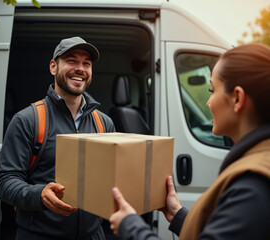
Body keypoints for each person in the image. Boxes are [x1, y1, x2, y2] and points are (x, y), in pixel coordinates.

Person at [109, 43, 270, 240]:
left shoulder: (253, 185)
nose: (208, 102)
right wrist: (177, 214)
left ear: (237, 98)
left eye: (212, 90)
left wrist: (130, 225)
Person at [0, 36, 115, 240]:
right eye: (71, 61)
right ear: (53, 67)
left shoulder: (104, 123)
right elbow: (5, 181)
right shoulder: (28, 120)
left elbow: (111, 178)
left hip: (93, 235)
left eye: (86, 64)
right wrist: (39, 195)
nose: (80, 68)